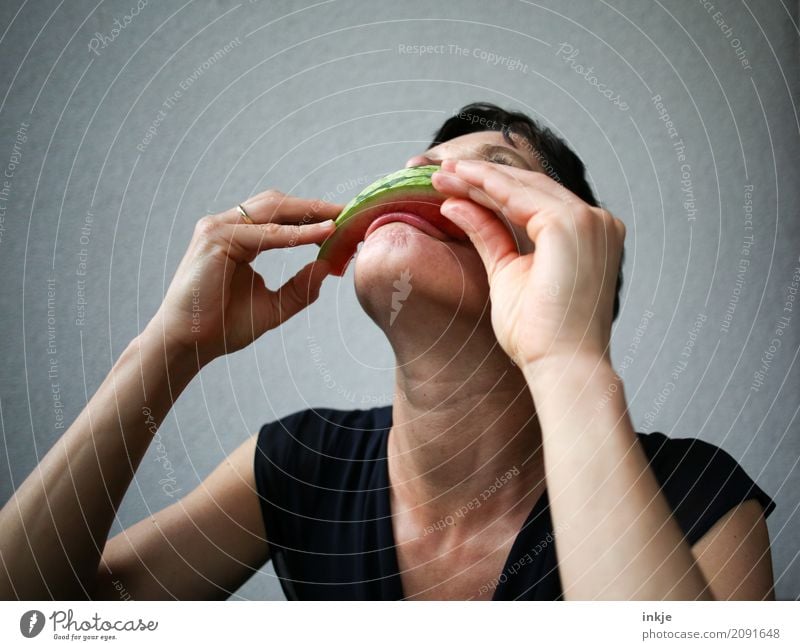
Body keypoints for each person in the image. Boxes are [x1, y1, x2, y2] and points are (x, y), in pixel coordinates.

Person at [0, 103, 776, 601]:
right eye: (417, 167)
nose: (423, 174)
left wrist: (568, 362)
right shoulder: (304, 462)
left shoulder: (699, 496)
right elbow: (36, 613)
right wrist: (166, 349)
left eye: (491, 167)